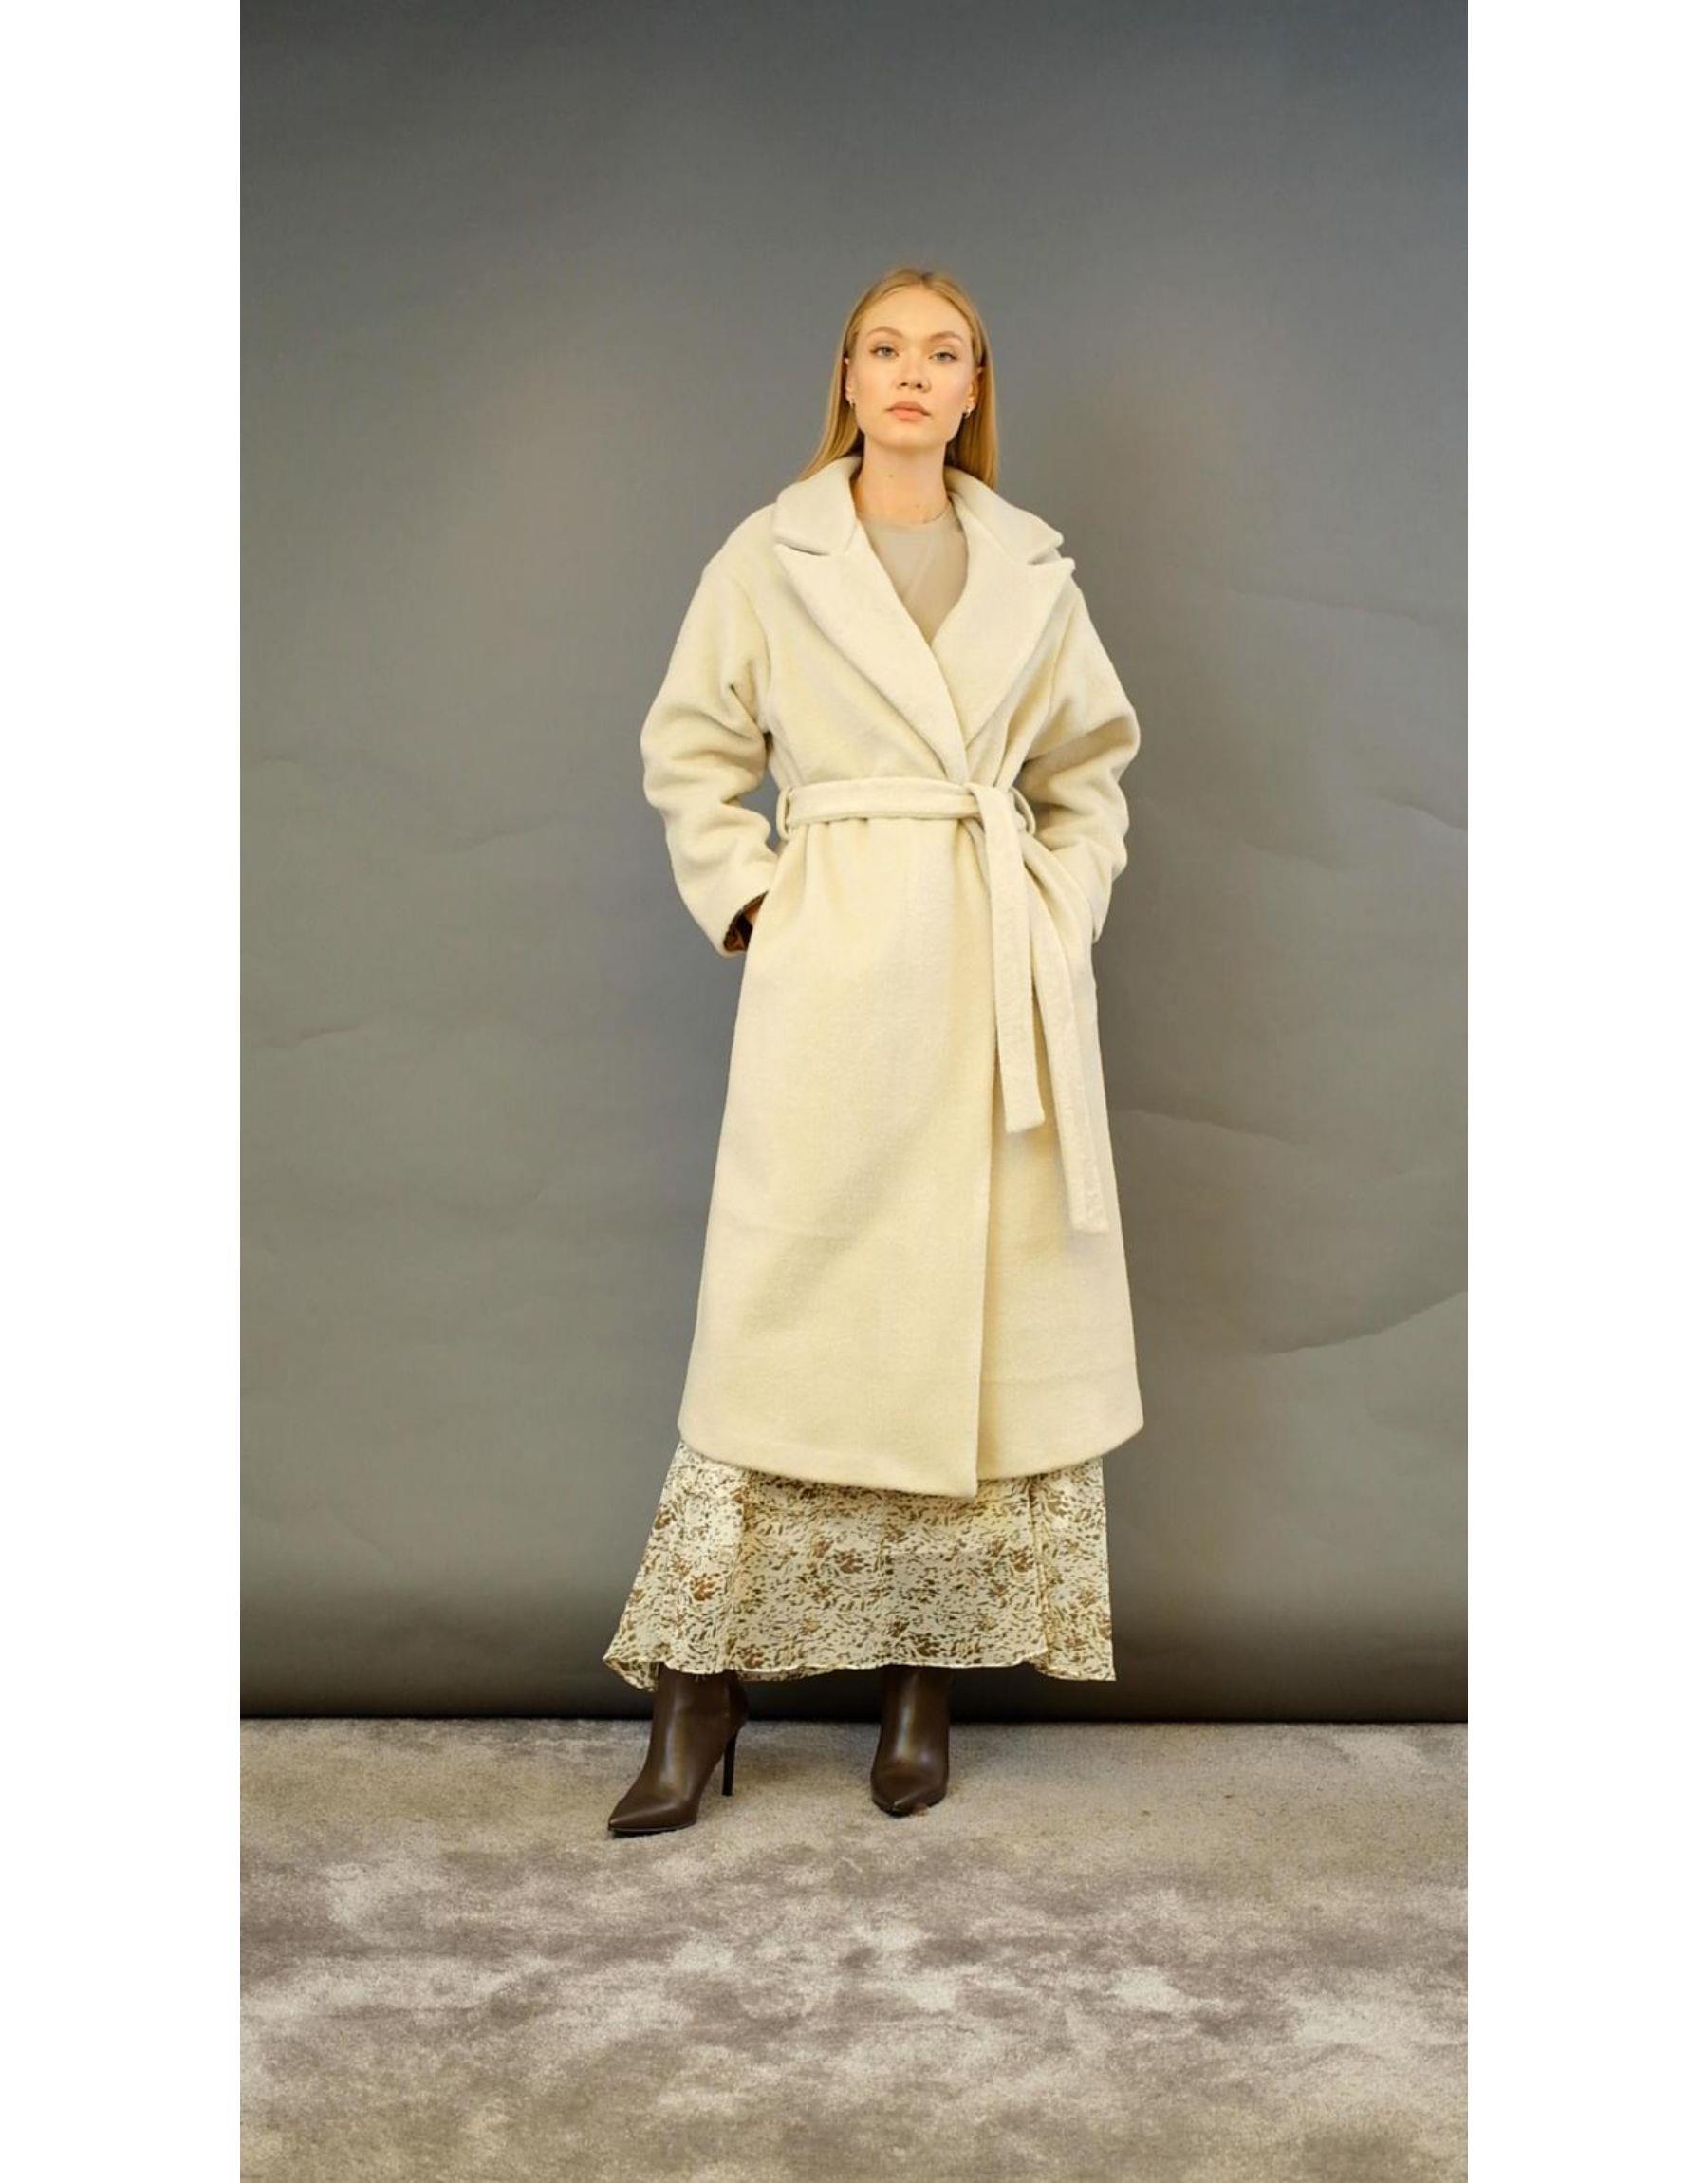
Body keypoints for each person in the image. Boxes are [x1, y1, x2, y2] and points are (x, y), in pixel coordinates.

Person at [605, 264, 1145, 1833]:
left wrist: (1057, 906)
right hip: (839, 974)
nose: (913, 373)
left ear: (975, 390)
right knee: (784, 1320)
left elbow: (1090, 772)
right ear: (846, 377)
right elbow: (692, 749)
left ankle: (925, 1682)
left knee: (966, 1330)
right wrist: (761, 904)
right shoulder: (769, 553)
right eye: (885, 348)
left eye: (944, 352)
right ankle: (696, 1690)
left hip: (990, 974)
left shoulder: (1033, 567)